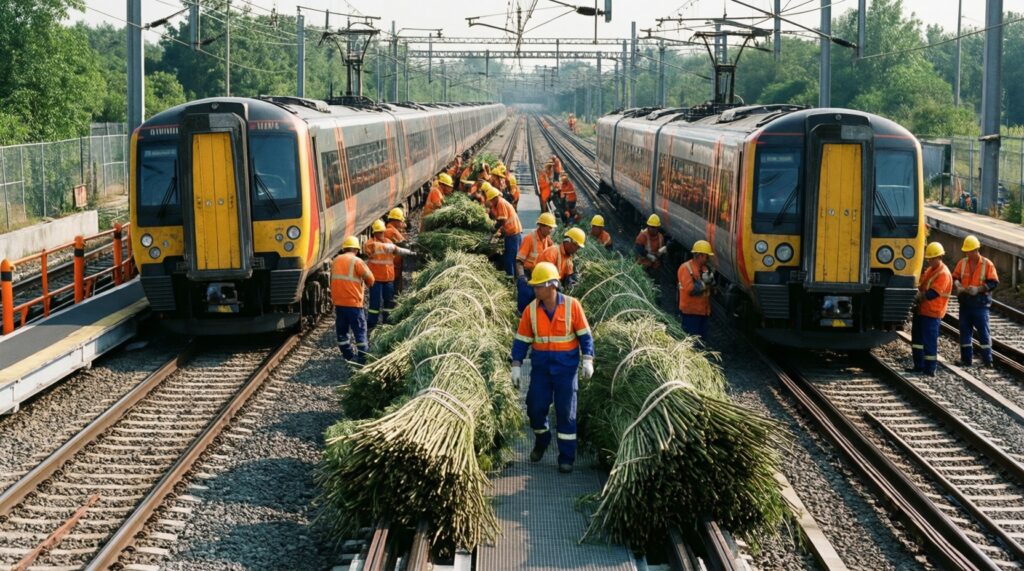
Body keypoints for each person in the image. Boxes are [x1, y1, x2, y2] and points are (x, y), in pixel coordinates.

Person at [510, 261, 595, 474]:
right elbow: (521, 340)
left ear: (551, 285)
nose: (534, 289)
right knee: (535, 408)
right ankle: (543, 439)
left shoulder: (572, 305)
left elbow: (585, 335)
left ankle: (566, 458)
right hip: (541, 370)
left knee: (566, 413)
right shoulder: (531, 311)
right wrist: (516, 364)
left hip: (566, 370)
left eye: (538, 286)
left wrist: (588, 359)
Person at [952, 235, 999, 366]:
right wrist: (958, 285)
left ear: (977, 249)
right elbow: (955, 276)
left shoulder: (987, 264)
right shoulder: (962, 263)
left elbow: (994, 282)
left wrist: (979, 289)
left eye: (971, 250)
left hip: (980, 304)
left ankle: (987, 360)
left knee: (983, 333)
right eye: (966, 251)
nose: (968, 253)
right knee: (965, 333)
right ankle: (966, 360)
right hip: (965, 304)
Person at [908, 242, 953, 376]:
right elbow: (922, 285)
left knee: (929, 342)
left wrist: (918, 296)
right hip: (922, 311)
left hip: (932, 314)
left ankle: (930, 369)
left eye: (933, 258)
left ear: (940, 257)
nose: (930, 261)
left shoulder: (943, 273)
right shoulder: (930, 270)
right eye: (929, 258)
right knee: (917, 341)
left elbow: (932, 294)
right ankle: (918, 365)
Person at [364, 219, 415, 330]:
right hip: (376, 279)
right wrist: (388, 247)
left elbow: (398, 250)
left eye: (382, 232)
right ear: (374, 233)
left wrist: (411, 253)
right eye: (379, 232)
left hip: (388, 279)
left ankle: (387, 321)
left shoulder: (388, 242)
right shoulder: (370, 243)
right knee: (374, 304)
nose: (381, 234)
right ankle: (372, 323)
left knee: (389, 302)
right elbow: (369, 249)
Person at [330, 236, 374, 363]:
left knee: (342, 332)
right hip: (354, 304)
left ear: (344, 249)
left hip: (339, 303)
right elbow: (370, 279)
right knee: (359, 331)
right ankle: (363, 358)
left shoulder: (336, 260)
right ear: (356, 249)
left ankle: (348, 355)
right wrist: (368, 284)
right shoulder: (357, 261)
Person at [515, 212, 557, 312]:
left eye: (552, 228)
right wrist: (522, 276)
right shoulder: (529, 239)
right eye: (549, 227)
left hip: (540, 276)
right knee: (526, 298)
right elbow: (519, 261)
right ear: (541, 226)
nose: (551, 230)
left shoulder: (548, 239)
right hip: (528, 275)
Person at [677, 240, 715, 341]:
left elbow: (711, 289)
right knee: (691, 342)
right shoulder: (685, 268)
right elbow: (691, 290)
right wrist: (704, 283)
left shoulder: (705, 269)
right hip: (690, 313)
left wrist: (711, 282)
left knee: (701, 341)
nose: (708, 259)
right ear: (699, 255)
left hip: (703, 312)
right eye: (706, 256)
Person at [484, 182, 523, 277]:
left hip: (513, 233)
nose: (491, 202)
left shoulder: (501, 203)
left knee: (510, 258)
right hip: (511, 233)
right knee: (512, 257)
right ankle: (514, 277)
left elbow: (502, 220)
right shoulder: (498, 204)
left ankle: (511, 279)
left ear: (495, 198)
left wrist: (493, 230)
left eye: (492, 200)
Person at [384, 208, 408, 294]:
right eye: (401, 221)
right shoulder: (391, 232)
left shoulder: (391, 231)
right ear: (396, 221)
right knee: (394, 292)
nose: (402, 223)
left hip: (394, 267)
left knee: (395, 291)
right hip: (394, 268)